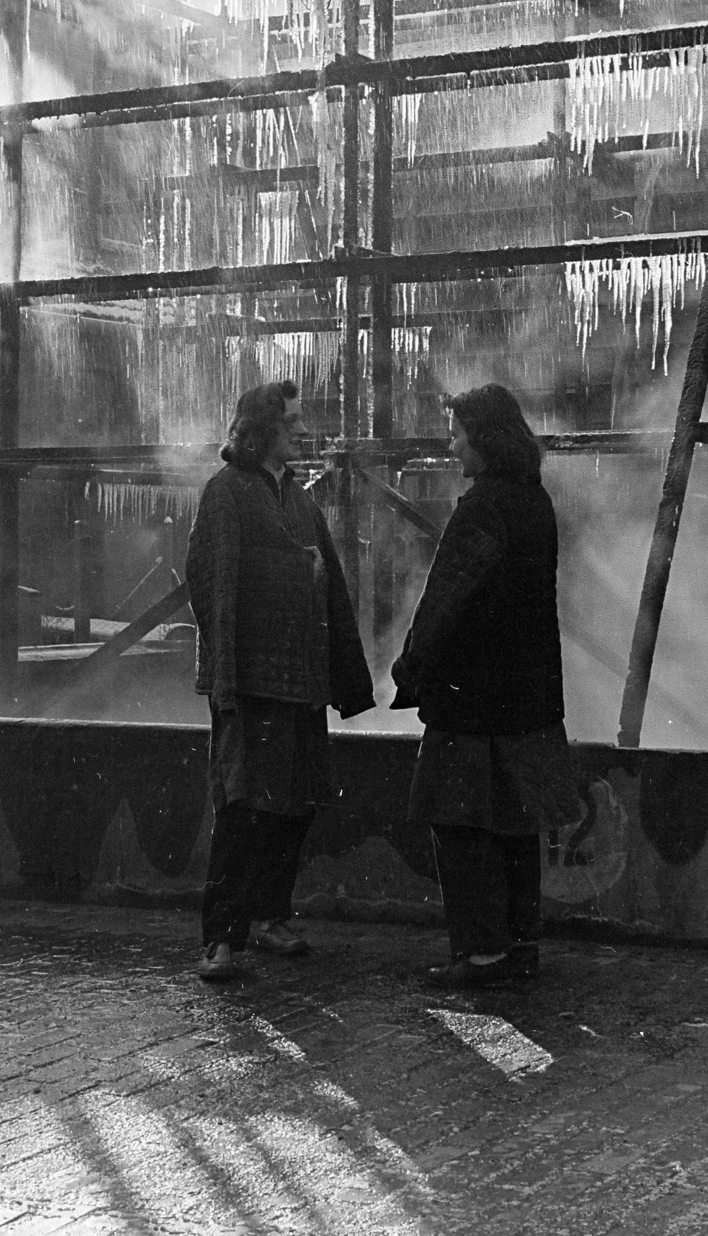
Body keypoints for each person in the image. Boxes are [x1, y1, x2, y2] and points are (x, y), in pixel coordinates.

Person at [391, 384, 582, 988]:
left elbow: (447, 596)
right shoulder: (534, 501)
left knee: (462, 826)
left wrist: (411, 667)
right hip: (526, 697)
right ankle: (519, 945)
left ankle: (479, 954)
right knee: (517, 824)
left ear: (483, 439)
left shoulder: (482, 507)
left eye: (456, 435)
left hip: (471, 701)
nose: (452, 447)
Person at [185, 379, 375, 981]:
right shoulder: (226, 494)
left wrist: (343, 678)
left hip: (298, 682)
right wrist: (225, 680)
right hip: (250, 682)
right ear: (264, 429)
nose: (301, 430)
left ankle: (269, 917)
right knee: (242, 807)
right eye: (291, 422)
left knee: (293, 807)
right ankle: (221, 937)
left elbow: (332, 587)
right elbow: (211, 583)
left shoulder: (299, 500)